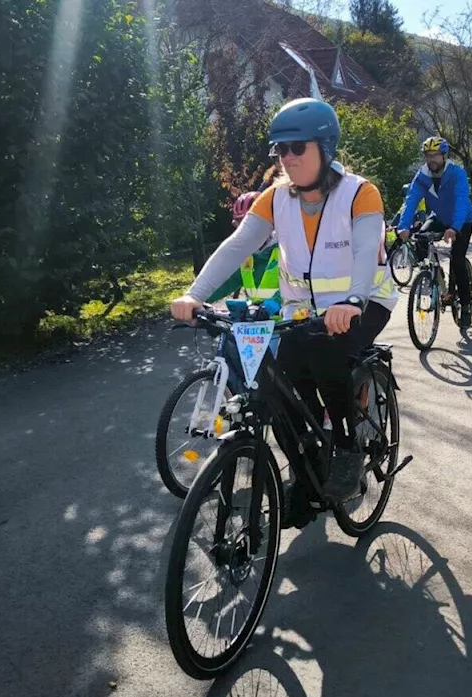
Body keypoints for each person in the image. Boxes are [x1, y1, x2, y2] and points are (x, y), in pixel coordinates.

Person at [170, 98, 396, 506]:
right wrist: (195, 294)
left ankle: (346, 448)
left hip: (364, 303)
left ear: (325, 148)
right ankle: (307, 469)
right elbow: (237, 246)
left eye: (297, 147)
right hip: (302, 313)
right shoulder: (275, 198)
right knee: (276, 384)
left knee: (324, 352)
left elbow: (365, 252)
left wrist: (353, 299)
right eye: (280, 149)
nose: (287, 157)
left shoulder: (359, 193)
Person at [396, 136, 472, 328]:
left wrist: (454, 228)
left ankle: (465, 306)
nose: (431, 159)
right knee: (421, 239)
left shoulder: (457, 173)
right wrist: (403, 226)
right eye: (428, 155)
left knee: (457, 260)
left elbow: (461, 200)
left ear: (444, 156)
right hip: (439, 217)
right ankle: (434, 274)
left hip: (462, 220)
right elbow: (411, 201)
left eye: (435, 155)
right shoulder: (422, 175)